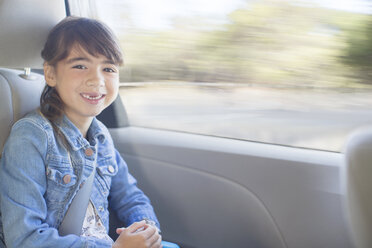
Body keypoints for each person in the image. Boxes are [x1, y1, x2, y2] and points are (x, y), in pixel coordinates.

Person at [0, 16, 162, 248]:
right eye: (80, 66)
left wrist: (146, 229)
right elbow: (25, 239)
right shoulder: (31, 137)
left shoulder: (101, 136)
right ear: (51, 74)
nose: (96, 79)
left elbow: (130, 196)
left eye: (108, 68)